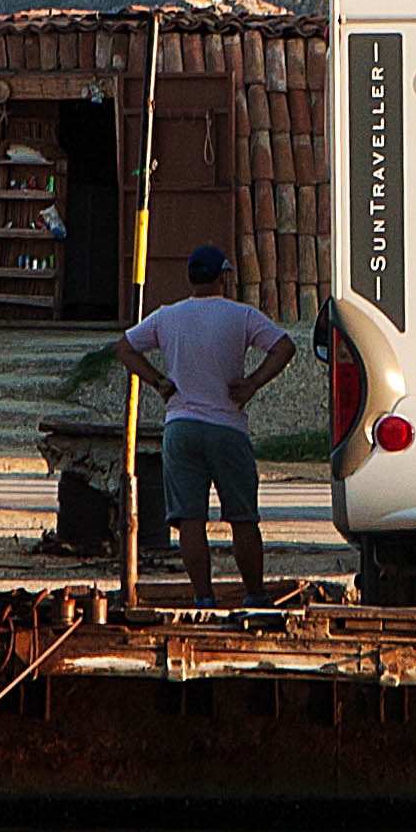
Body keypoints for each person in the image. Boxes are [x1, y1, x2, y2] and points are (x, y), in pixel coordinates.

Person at [114, 243, 298, 604]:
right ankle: (255, 595)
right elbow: (284, 347)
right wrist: (252, 383)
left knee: (189, 519)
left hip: (180, 426)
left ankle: (203, 597)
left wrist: (158, 381)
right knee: (242, 517)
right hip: (227, 427)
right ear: (223, 277)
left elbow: (124, 347)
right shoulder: (241, 316)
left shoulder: (167, 316)